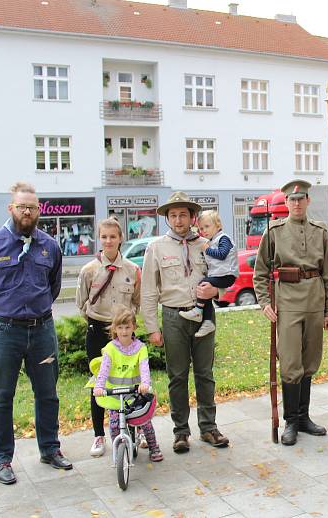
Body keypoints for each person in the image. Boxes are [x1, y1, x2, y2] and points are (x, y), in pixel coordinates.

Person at [0, 181, 72, 485]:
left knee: (48, 394)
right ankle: (2, 459)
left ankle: (50, 449)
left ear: (39, 210)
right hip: (4, 332)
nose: (27, 212)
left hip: (42, 331)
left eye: (32, 207)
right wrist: (5, 313)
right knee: (0, 396)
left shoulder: (49, 246)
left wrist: (34, 310)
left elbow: (52, 287)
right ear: (11, 208)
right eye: (22, 206)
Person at [140, 191, 229, 453]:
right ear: (167, 218)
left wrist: (217, 292)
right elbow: (148, 290)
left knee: (205, 373)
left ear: (192, 217)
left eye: (183, 215)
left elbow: (224, 275)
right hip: (173, 316)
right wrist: (152, 328)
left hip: (204, 314)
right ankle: (180, 432)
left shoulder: (207, 244)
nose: (178, 220)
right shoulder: (156, 248)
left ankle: (209, 427)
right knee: (177, 376)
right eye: (173, 215)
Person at [253, 179, 328, 445]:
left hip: (314, 300)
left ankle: (303, 417)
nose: (297, 203)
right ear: (286, 203)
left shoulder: (320, 231)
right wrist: (265, 302)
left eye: (301, 199)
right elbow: (260, 272)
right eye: (292, 200)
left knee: (310, 360)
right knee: (290, 362)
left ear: (308, 201)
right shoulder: (274, 232)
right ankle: (290, 421)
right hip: (287, 303)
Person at [76, 216, 141, 458]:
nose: (108, 241)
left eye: (113, 236)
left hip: (124, 334)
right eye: (104, 236)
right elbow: (81, 303)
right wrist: (97, 322)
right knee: (99, 384)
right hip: (97, 331)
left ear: (121, 238)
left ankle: (133, 431)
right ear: (99, 238)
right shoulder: (89, 271)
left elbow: (136, 301)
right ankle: (98, 435)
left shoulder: (132, 270)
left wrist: (124, 327)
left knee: (129, 382)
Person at [92, 307, 163, 462]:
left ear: (134, 328)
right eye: (120, 328)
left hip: (135, 394)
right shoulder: (110, 349)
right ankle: (119, 450)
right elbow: (103, 370)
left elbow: (144, 368)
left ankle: (153, 446)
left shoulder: (140, 348)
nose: (124, 332)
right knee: (114, 425)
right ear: (114, 329)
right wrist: (99, 386)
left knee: (144, 422)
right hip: (115, 396)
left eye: (127, 327)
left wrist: (145, 383)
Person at [179, 210, 239, 338]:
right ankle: (207, 322)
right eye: (201, 228)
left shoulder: (224, 239)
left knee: (203, 283)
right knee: (206, 292)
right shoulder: (212, 240)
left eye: (207, 226)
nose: (203, 231)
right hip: (220, 274)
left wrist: (207, 250)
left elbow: (222, 255)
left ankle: (198, 310)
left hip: (227, 275)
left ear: (217, 225)